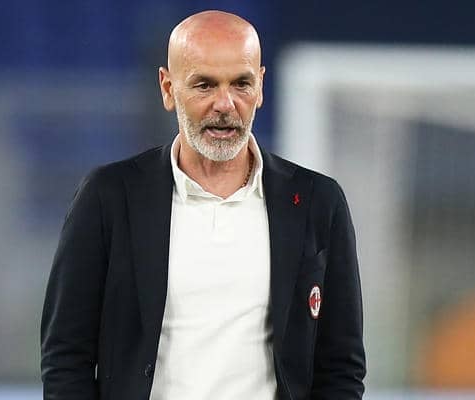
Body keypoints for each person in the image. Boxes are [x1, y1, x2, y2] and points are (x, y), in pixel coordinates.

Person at [41, 10, 365, 400]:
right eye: (204, 85)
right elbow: (66, 357)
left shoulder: (318, 202)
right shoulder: (108, 197)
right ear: (167, 88)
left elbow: (341, 367)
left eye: (241, 83)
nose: (225, 104)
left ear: (261, 86)